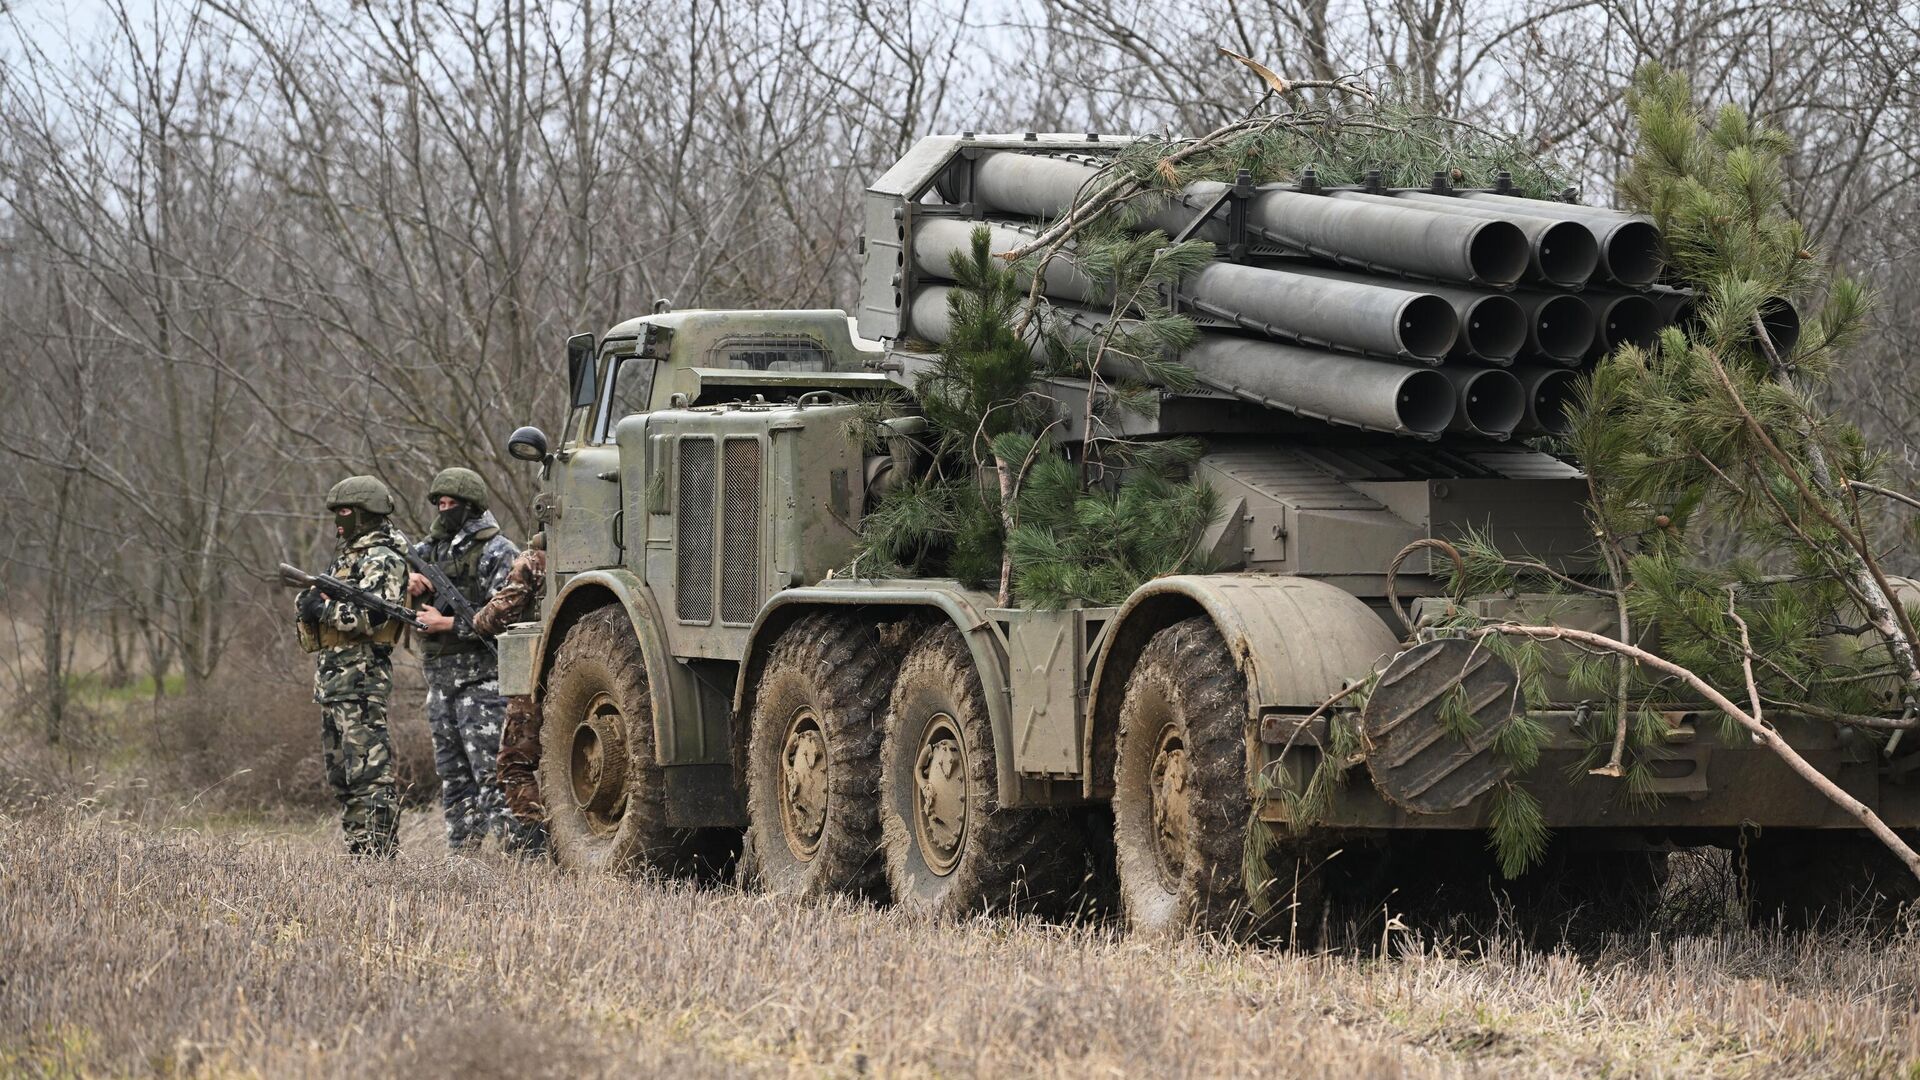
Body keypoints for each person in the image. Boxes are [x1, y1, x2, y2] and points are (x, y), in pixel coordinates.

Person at [409, 466, 524, 852]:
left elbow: (507, 615)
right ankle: (464, 860)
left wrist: (448, 623)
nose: (444, 510)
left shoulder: (498, 550)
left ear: (471, 506)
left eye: (451, 503)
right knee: (453, 778)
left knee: (494, 775)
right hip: (440, 683)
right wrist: (408, 587)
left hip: (484, 682)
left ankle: (521, 858)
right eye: (439, 503)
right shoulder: (429, 551)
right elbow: (396, 595)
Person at [293, 475, 409, 858]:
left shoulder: (384, 558)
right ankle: (360, 850)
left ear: (364, 514)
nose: (338, 520)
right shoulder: (347, 556)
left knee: (370, 775)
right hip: (333, 681)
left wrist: (322, 608)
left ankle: (379, 856)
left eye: (345, 512)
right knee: (342, 776)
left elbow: (372, 618)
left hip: (361, 680)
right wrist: (308, 607)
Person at [471, 532, 548, 846]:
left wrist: (478, 620)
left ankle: (533, 839)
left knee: (513, 761)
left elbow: (501, 610)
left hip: (537, 672)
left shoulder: (533, 559)